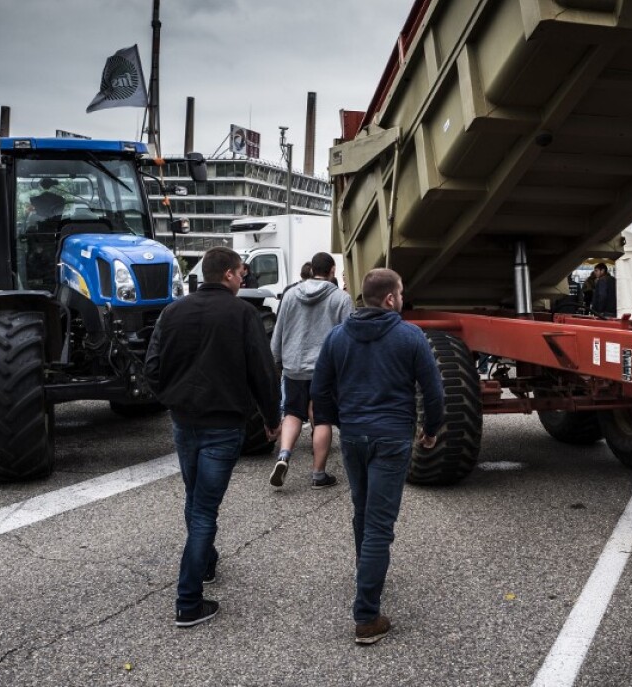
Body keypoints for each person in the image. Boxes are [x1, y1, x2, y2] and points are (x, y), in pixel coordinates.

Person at [145, 246, 281, 628]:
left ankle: (205, 563)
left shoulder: (173, 311)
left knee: (195, 498)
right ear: (227, 275)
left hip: (184, 421)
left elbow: (152, 367)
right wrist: (272, 418)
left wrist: (171, 398)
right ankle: (188, 602)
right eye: (242, 273)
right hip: (223, 424)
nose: (244, 279)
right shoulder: (242, 314)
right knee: (204, 509)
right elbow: (262, 371)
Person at [310, 267, 444, 645]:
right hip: (392, 438)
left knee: (362, 511)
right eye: (400, 293)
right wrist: (431, 430)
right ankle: (367, 616)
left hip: (354, 437)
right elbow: (433, 392)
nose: (402, 299)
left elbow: (320, 390)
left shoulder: (337, 337)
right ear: (389, 299)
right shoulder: (410, 336)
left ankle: (365, 569)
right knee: (380, 526)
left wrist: (341, 421)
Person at [269, 251, 353, 488]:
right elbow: (349, 337)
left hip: (294, 366)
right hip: (324, 371)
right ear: (332, 271)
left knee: (293, 413)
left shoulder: (290, 294)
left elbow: (280, 330)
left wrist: (276, 360)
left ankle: (284, 455)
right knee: (323, 418)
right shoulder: (340, 298)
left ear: (311, 269)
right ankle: (318, 475)